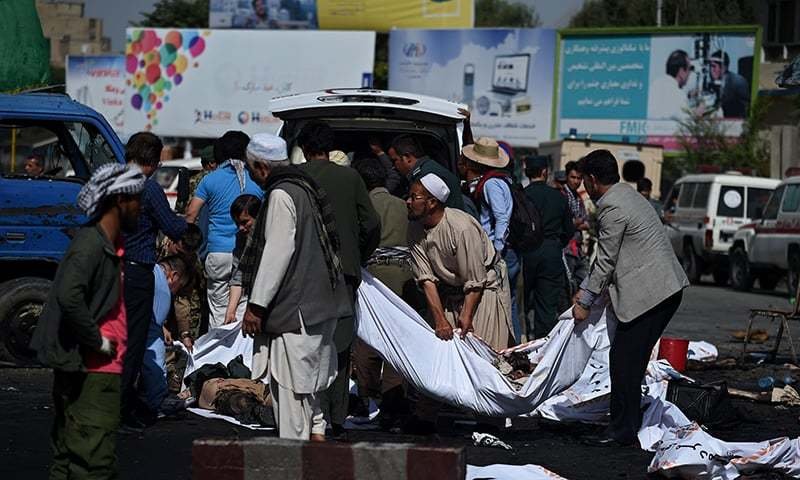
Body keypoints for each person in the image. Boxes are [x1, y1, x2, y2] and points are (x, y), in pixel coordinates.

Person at [30, 163, 145, 479]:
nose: (140, 206)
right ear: (120, 199)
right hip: (94, 368)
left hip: (94, 365)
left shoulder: (106, 242)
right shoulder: (91, 245)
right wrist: (98, 340)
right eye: (137, 199)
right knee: (94, 462)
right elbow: (69, 296)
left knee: (69, 456)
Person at [573, 149, 688, 447]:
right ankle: (626, 424)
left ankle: (622, 430)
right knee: (630, 361)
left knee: (624, 361)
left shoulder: (611, 207)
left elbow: (606, 260)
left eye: (585, 179)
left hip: (652, 294)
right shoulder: (628, 195)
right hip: (664, 289)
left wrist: (585, 301)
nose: (584, 185)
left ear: (593, 179)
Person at [239, 133, 343, 441]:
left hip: (296, 311)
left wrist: (256, 306)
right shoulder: (305, 187)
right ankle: (312, 446)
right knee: (308, 388)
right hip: (318, 305)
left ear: (260, 167)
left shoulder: (282, 193)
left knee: (292, 394)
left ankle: (294, 461)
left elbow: (278, 251)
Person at [298, 120, 381, 436]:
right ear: (330, 148)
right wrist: (357, 254)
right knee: (339, 345)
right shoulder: (350, 176)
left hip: (303, 274)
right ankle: (336, 417)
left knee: (305, 341)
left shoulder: (297, 177)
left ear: (305, 149)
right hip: (344, 272)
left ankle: (306, 411)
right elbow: (371, 223)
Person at [121, 132, 187, 431]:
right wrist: (188, 221)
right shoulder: (148, 190)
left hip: (110, 269)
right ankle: (122, 409)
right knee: (134, 344)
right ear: (154, 160)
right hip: (136, 271)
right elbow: (172, 226)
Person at [350, 157, 411, 424]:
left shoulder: (360, 206)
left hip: (371, 277)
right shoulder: (403, 205)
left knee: (367, 337)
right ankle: (394, 400)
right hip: (403, 276)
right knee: (396, 338)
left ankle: (366, 395)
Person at [185, 131, 262, 329]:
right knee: (243, 307)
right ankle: (241, 355)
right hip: (249, 253)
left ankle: (218, 354)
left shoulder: (210, 180)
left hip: (217, 252)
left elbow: (191, 214)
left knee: (219, 311)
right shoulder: (257, 179)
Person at [460, 137, 522, 343]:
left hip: (501, 252)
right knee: (509, 301)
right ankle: (512, 343)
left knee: (501, 301)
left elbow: (501, 217)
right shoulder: (498, 180)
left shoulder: (491, 184)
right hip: (508, 250)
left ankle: (506, 343)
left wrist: (496, 250)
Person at [521, 156, 575, 339]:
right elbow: (569, 229)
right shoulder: (558, 197)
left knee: (521, 303)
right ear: (545, 172)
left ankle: (521, 343)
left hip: (526, 253)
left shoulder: (522, 195)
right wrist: (557, 244)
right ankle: (541, 349)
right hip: (551, 253)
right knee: (546, 307)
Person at [139, 255, 190, 419]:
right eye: (178, 287)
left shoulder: (145, 267)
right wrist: (159, 396)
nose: (175, 292)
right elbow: (152, 344)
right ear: (174, 276)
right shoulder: (162, 288)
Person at [390, 134, 465, 211]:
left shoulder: (425, 177)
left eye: (395, 160)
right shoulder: (426, 169)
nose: (393, 166)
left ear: (407, 157)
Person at [224, 194, 261, 325]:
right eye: (237, 223)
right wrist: (230, 311)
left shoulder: (269, 238)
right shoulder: (241, 238)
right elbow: (237, 276)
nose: (241, 228)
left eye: (245, 222)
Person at [561, 161, 590, 299]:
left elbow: (585, 220)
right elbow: (565, 222)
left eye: (579, 178)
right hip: (566, 248)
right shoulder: (562, 195)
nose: (576, 181)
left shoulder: (578, 198)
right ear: (567, 177)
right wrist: (576, 223)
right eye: (573, 177)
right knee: (568, 285)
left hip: (577, 248)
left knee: (584, 280)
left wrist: (576, 223)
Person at [648, 49, 692, 119]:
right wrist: (696, 115)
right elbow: (686, 125)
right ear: (681, 72)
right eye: (689, 69)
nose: (690, 73)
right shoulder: (679, 95)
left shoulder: (654, 85)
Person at [710, 50, 750, 118]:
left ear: (724, 67)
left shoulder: (737, 82)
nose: (711, 70)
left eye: (714, 66)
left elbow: (745, 111)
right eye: (710, 66)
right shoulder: (717, 83)